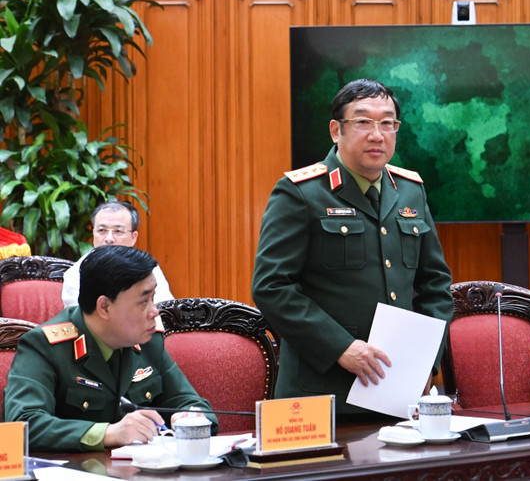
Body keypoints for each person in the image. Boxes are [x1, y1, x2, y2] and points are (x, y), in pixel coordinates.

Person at [251, 78, 454, 416]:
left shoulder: (410, 190)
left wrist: (425, 365)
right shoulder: (300, 192)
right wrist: (340, 347)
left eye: (388, 123)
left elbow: (435, 285)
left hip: (397, 392)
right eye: (362, 122)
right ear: (336, 130)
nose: (377, 134)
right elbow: (272, 287)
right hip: (321, 393)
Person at [3, 245, 217, 452]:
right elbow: (23, 424)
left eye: (153, 299)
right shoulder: (44, 346)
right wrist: (109, 434)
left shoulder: (148, 341)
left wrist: (189, 418)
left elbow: (193, 404)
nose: (155, 312)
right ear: (104, 306)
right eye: (144, 302)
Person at [62, 201, 173, 306]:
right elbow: (81, 321)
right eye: (102, 230)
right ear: (93, 234)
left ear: (133, 237)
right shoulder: (76, 274)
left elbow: (165, 311)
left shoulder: (148, 269)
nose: (109, 239)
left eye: (118, 231)